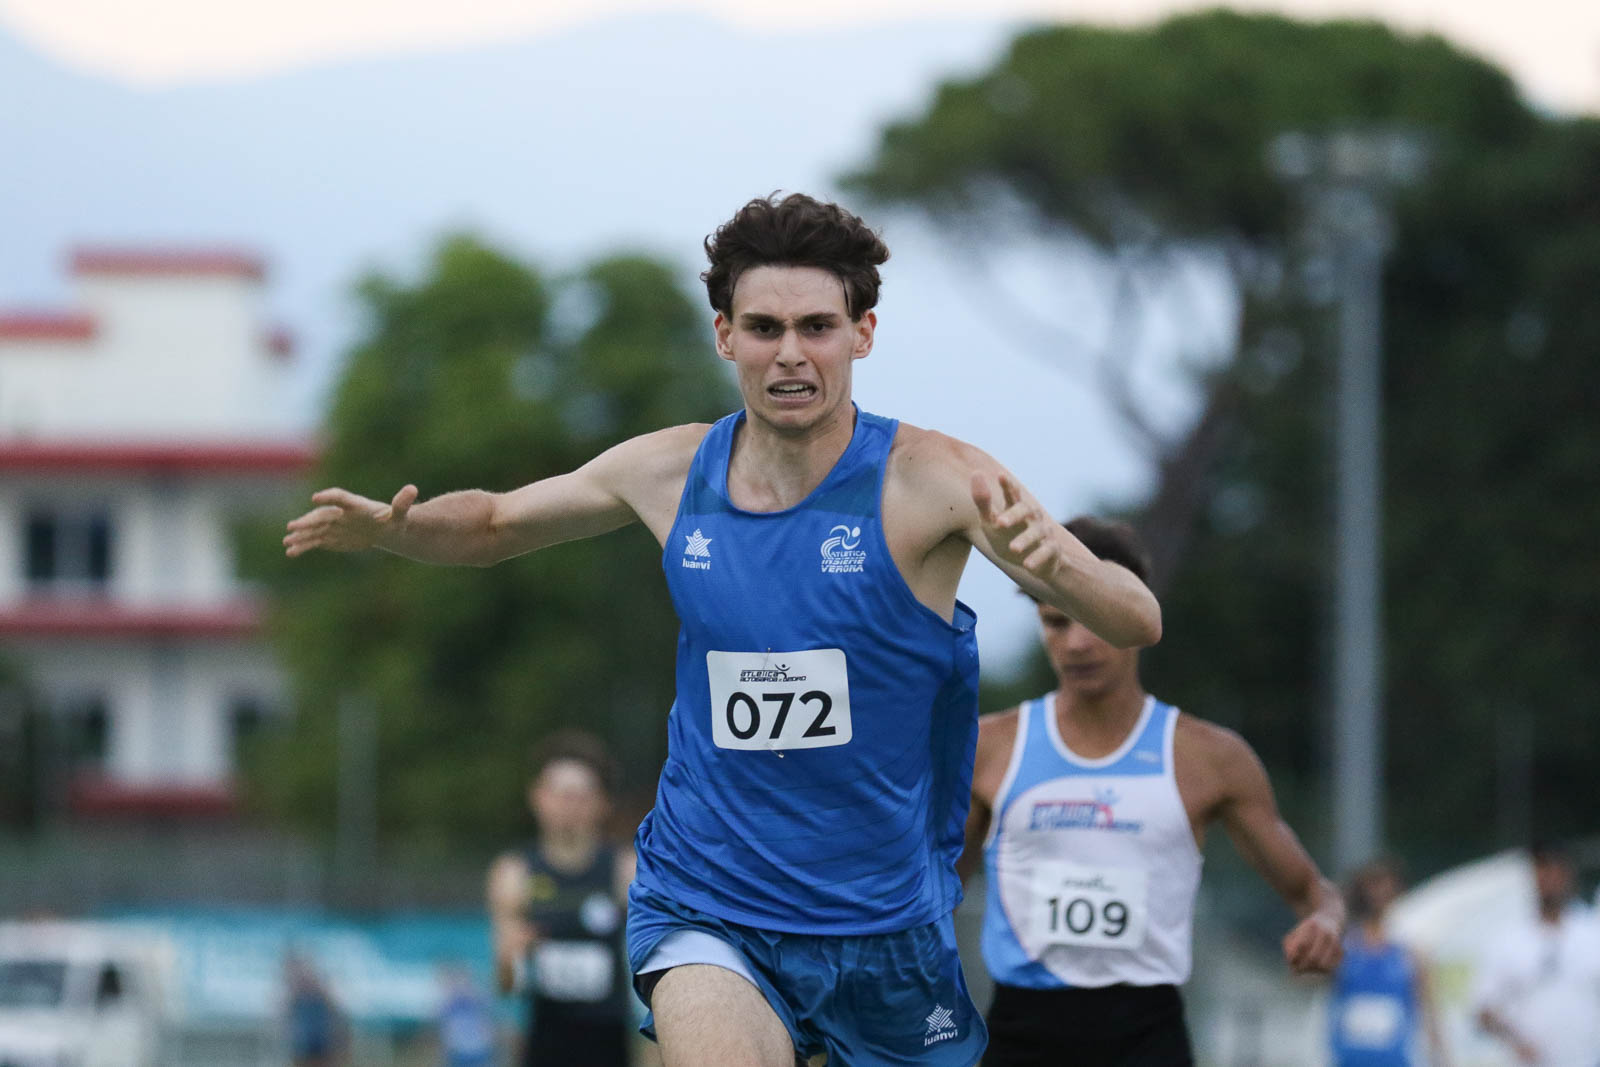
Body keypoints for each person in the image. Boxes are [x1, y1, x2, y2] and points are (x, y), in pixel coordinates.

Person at [285, 192, 1161, 1067]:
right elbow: (494, 522)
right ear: (725, 335)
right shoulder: (672, 471)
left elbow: (1137, 618)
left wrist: (1062, 567)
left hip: (884, 922)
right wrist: (396, 529)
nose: (790, 353)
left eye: (817, 327)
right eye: (764, 327)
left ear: (862, 333)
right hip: (709, 898)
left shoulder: (934, 480)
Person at [961, 516, 1341, 1066]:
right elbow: (933, 896)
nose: (1077, 643)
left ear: (1134, 615)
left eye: (1095, 619)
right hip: (1020, 1035)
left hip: (1147, 1038)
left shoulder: (1210, 758)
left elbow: (1313, 892)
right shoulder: (989, 747)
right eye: (1057, 622)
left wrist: (1325, 923)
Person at [487, 731, 634, 1067]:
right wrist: (511, 957)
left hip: (609, 1044)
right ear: (537, 797)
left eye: (581, 794)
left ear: (603, 802)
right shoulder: (513, 874)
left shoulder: (626, 870)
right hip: (544, 1042)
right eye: (560, 793)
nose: (570, 804)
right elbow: (506, 984)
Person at [1474, 842, 1600, 1066]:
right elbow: (1484, 1011)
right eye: (1542, 872)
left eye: (1555, 871)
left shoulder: (1592, 932)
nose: (1549, 880)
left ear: (1568, 876)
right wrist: (1515, 1040)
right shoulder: (1509, 940)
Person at [1328, 859, 1450, 1067]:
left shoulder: (1410, 952)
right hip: (1348, 1060)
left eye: (1386, 886)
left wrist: (1442, 1059)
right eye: (1373, 885)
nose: (1379, 894)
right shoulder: (1343, 947)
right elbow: (1304, 977)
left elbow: (1430, 1015)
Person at [284, 952, 348, 1067]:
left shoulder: (323, 996)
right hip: (305, 1046)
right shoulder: (296, 999)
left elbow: (337, 1020)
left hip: (321, 1045)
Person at [435, 962, 498, 1067]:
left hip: (479, 1049)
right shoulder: (448, 1004)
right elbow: (446, 1031)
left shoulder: (479, 999)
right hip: (459, 1051)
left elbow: (488, 1024)